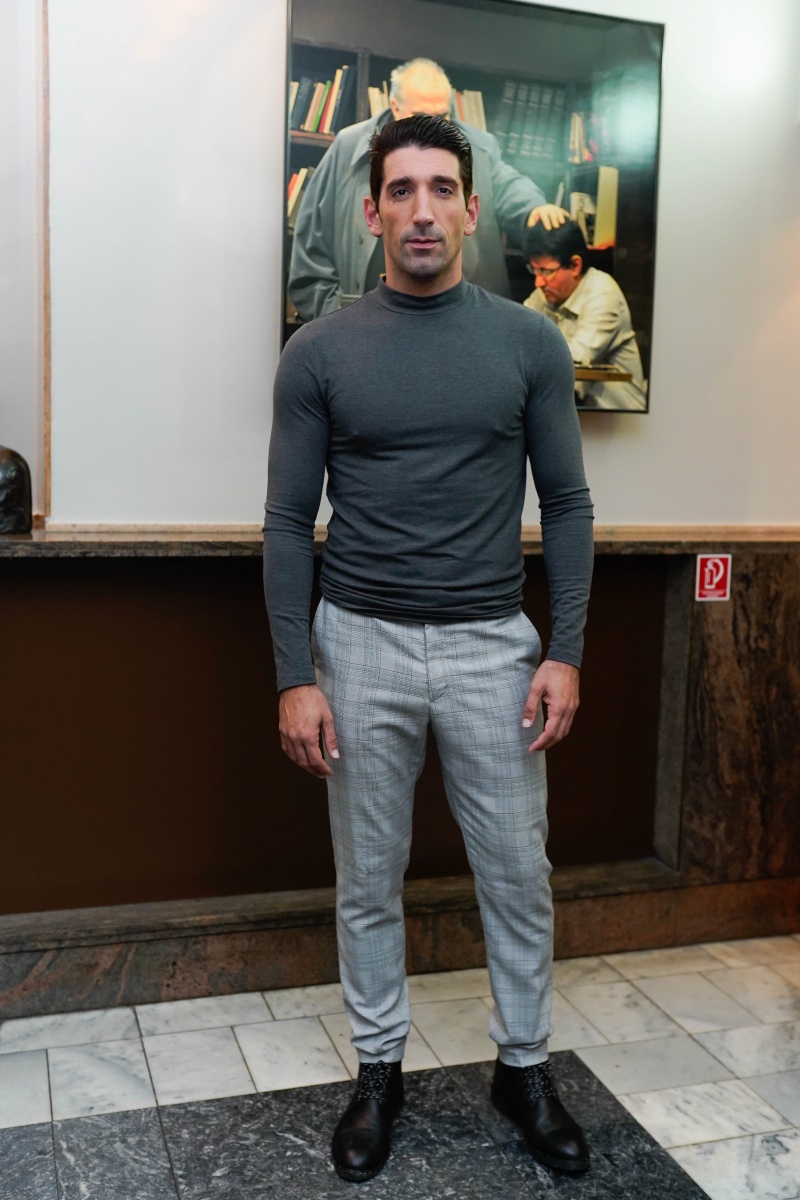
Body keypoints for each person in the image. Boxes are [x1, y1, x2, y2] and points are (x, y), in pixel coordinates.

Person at [264, 114, 594, 1183]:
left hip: (492, 647)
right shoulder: (320, 350)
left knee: (518, 875)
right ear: (371, 212)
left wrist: (564, 651)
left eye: (440, 189)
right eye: (400, 191)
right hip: (356, 644)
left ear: (469, 207)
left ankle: (524, 1070)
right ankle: (377, 1073)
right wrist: (295, 676)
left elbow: (569, 504)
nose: (421, 211)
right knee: (368, 878)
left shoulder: (527, 343)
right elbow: (286, 522)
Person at [288, 56, 566, 321]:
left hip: (465, 322)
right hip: (367, 326)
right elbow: (310, 253)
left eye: (443, 115)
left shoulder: (478, 146)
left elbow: (508, 184)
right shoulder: (349, 147)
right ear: (395, 107)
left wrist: (534, 206)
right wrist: (340, 323)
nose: (434, 126)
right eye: (421, 115)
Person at [523, 219, 647, 411]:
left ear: (575, 265)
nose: (538, 282)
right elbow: (516, 340)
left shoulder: (603, 293)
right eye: (535, 270)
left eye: (546, 271)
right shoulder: (543, 294)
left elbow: (576, 358)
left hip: (620, 420)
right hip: (574, 415)